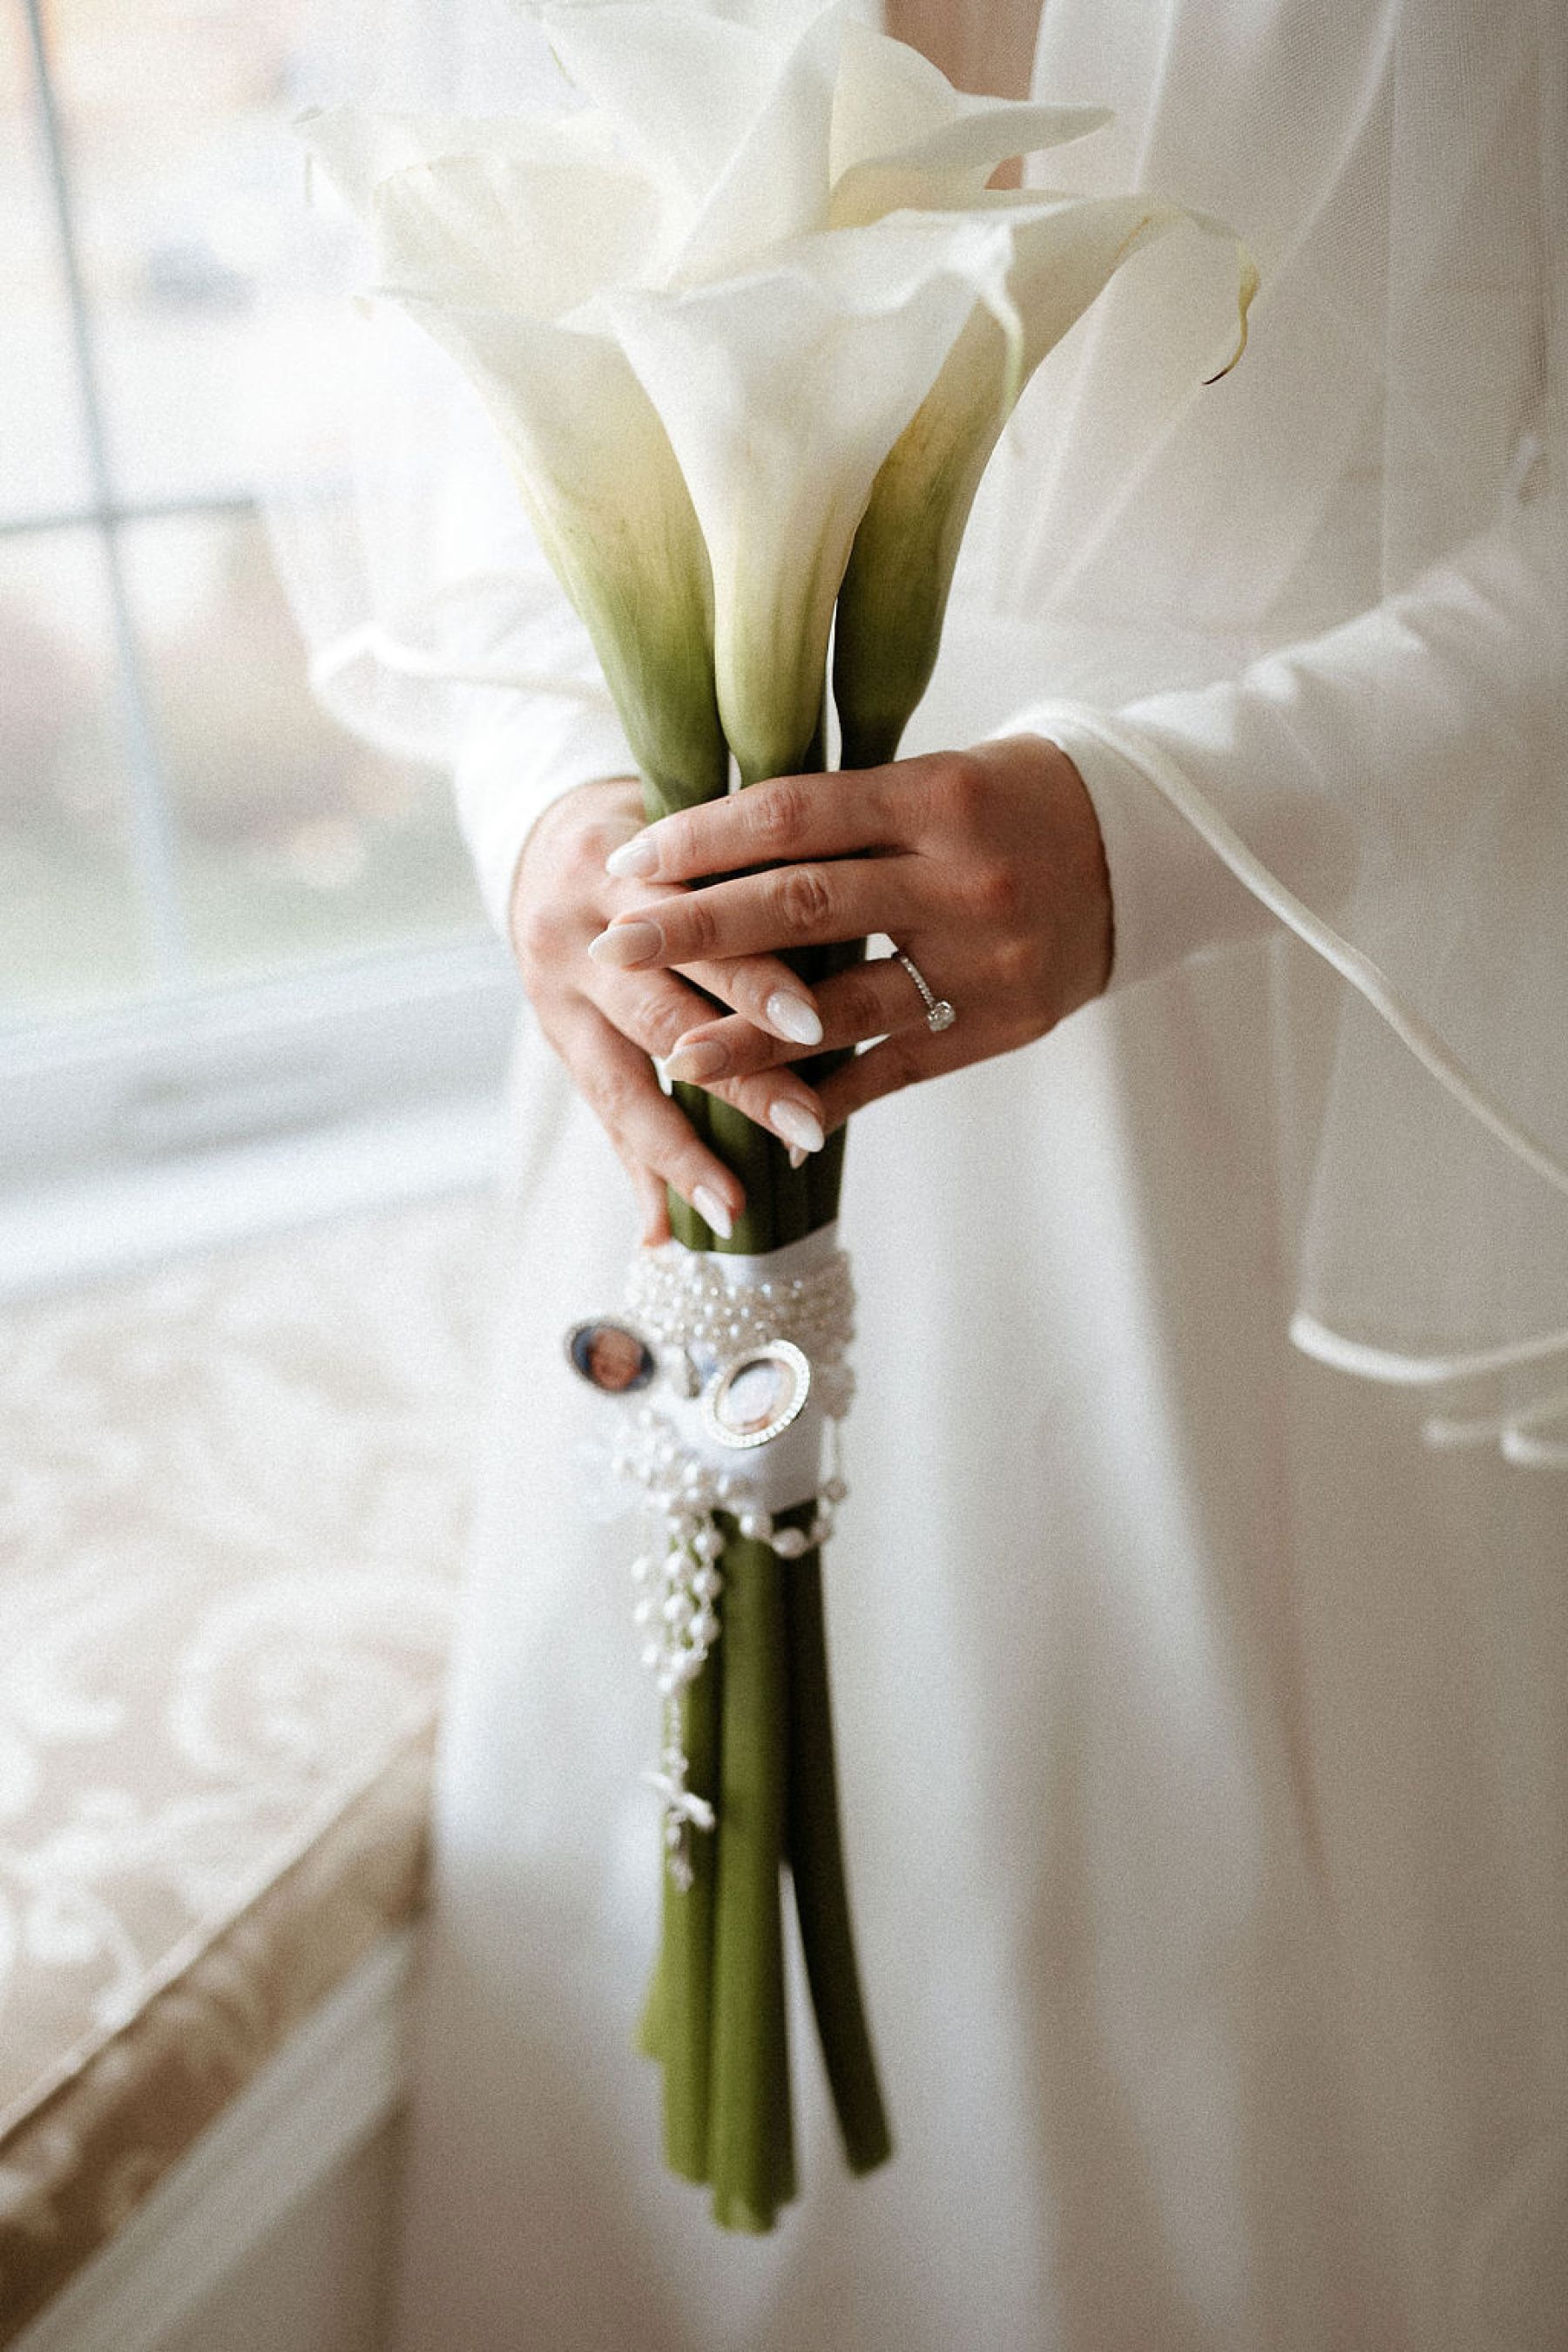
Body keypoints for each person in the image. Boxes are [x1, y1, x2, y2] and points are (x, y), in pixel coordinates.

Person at [271, 0, 1568, 2342]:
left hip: (1260, 1097)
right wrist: (556, 828)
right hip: (680, 1087)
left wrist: (1187, 824)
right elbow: (435, 382)